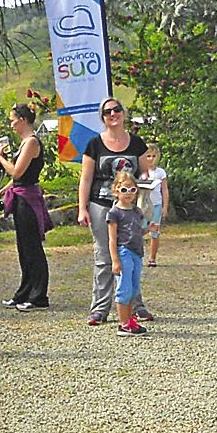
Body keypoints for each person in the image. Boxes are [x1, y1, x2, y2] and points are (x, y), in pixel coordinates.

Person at [76, 97, 151, 326]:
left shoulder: (137, 143)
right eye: (107, 112)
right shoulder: (94, 144)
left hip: (130, 207)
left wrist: (147, 199)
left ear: (123, 113)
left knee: (132, 255)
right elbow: (86, 178)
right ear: (102, 117)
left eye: (116, 109)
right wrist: (82, 208)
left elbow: (145, 174)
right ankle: (100, 308)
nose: (113, 114)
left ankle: (135, 306)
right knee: (104, 256)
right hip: (102, 205)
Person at [0, 102, 49, 310]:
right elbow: (19, 176)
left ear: (23, 120)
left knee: (32, 247)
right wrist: (3, 190)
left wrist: (1, 158)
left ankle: (38, 295)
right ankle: (24, 291)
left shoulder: (31, 143)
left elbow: (17, 172)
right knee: (23, 248)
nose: (12, 125)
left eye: (13, 121)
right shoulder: (24, 143)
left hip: (28, 199)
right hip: (19, 195)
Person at [107, 170, 149, 336]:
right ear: (116, 191)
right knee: (123, 288)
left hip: (137, 252)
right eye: (124, 190)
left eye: (132, 190)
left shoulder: (136, 211)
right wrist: (115, 260)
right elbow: (112, 239)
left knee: (133, 287)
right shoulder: (114, 213)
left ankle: (130, 320)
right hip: (123, 251)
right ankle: (123, 323)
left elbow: (137, 231)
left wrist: (148, 229)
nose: (128, 194)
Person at [140, 142, 169, 266]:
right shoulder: (140, 172)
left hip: (156, 205)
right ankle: (138, 257)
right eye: (148, 156)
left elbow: (164, 190)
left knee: (155, 231)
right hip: (142, 206)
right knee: (139, 231)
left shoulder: (160, 172)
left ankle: (152, 258)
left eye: (153, 156)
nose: (150, 159)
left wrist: (165, 206)